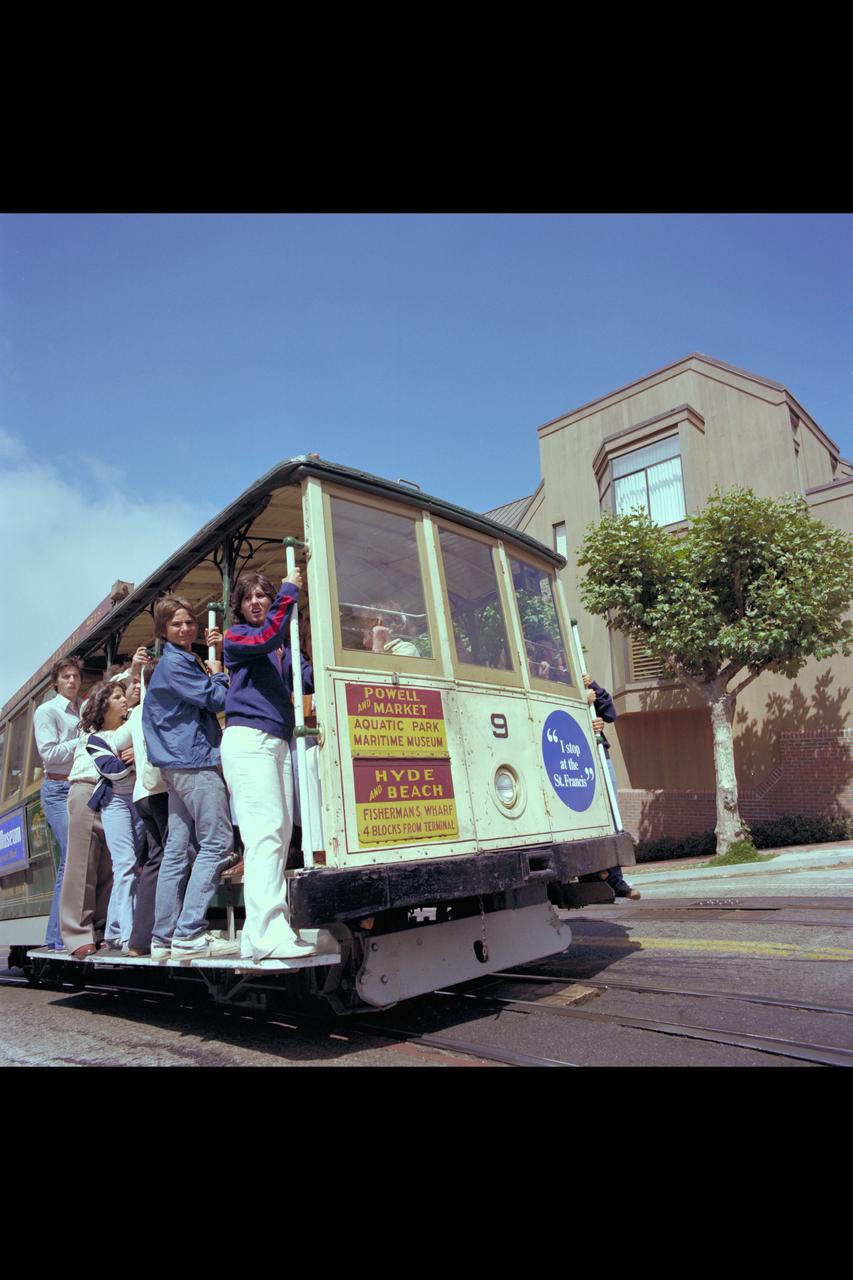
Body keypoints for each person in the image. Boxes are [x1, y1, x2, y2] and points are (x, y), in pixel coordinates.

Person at [220, 569, 317, 960]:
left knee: (278, 834)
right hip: (249, 740)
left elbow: (308, 677)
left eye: (264, 595)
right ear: (240, 608)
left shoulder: (283, 648)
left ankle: (258, 933)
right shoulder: (239, 638)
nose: (257, 602)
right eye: (249, 598)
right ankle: (267, 932)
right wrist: (290, 590)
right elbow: (268, 635)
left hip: (277, 740)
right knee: (263, 835)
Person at [143, 597, 238, 961]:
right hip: (193, 761)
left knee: (177, 853)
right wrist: (218, 669)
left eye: (189, 623)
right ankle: (189, 933)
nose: (185, 629)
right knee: (217, 842)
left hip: (177, 765)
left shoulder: (177, 660)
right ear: (163, 630)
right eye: (177, 624)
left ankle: (163, 937)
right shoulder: (176, 664)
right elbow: (216, 699)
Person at [70, 680, 146, 951]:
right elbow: (111, 769)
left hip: (136, 801)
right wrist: (135, 761)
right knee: (125, 865)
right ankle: (128, 934)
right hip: (114, 803)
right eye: (116, 697)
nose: (124, 700)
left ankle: (113, 930)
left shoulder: (131, 731)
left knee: (129, 867)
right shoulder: (95, 738)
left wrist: (136, 756)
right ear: (104, 706)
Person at [34, 656, 83, 950]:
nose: (72, 681)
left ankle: (67, 932)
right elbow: (49, 754)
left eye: (76, 676)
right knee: (71, 857)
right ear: (56, 682)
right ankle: (56, 936)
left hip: (80, 788)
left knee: (82, 858)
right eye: (66, 676)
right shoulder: (47, 711)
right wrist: (83, 740)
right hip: (57, 789)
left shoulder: (83, 710)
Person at [125, 659, 173, 956]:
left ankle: (139, 940)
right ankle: (170, 933)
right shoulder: (163, 704)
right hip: (161, 791)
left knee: (155, 861)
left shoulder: (136, 712)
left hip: (140, 793)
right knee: (177, 856)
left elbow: (116, 740)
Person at [579, 673, 640, 901]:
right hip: (576, 757)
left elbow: (610, 713)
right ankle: (602, 876)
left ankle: (613, 877)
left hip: (600, 752)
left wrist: (593, 686)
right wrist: (580, 705)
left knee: (612, 817)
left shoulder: (581, 681)